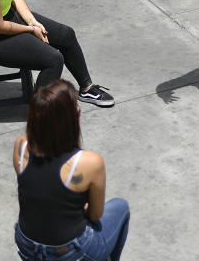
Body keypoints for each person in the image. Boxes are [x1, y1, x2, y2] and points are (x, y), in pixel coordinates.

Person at [12, 80, 129, 261]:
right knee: (121, 207)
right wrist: (82, 206)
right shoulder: (88, 162)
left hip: (26, 244)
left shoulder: (22, 145)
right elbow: (95, 214)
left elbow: (40, 188)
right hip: (68, 251)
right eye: (76, 107)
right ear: (71, 119)